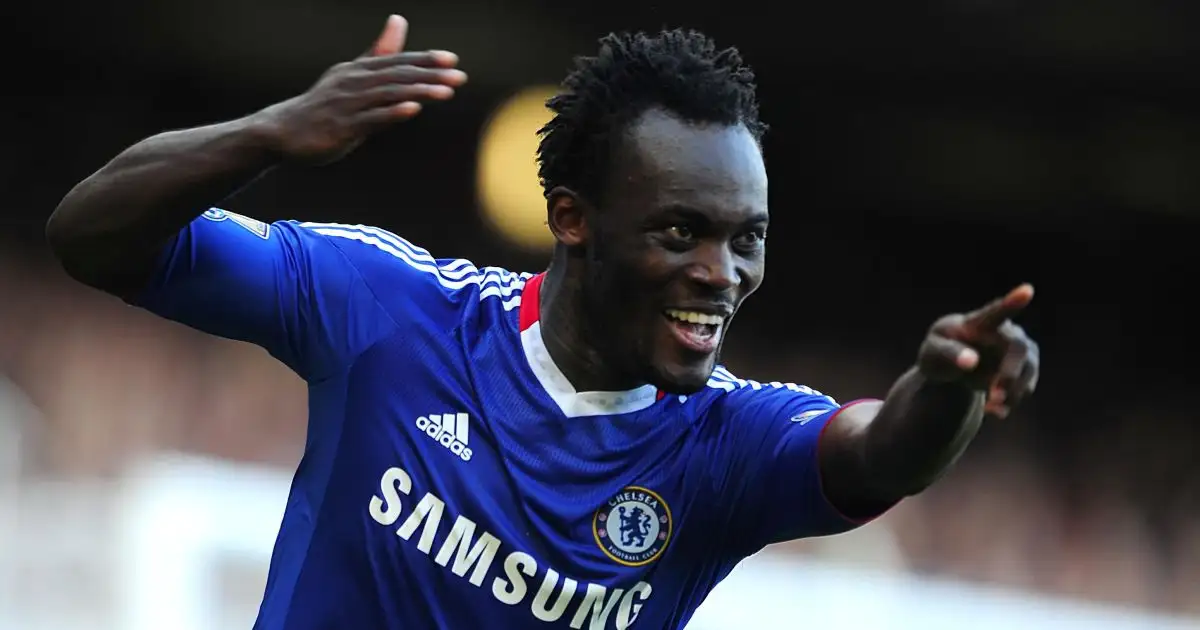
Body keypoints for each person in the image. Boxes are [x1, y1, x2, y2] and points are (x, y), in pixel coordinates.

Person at [45, 15, 1040, 630]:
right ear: (571, 218)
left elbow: (878, 455)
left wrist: (947, 385)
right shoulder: (394, 311)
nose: (720, 273)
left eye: (748, 239)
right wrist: (264, 136)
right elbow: (96, 238)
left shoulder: (723, 449)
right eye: (682, 232)